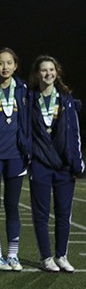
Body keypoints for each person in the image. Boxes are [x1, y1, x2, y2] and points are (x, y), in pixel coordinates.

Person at [27, 55, 84, 272]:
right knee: (41, 215)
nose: (48, 73)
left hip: (63, 165)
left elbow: (75, 133)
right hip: (41, 164)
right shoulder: (30, 99)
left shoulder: (66, 100)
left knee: (63, 213)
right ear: (36, 74)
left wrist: (77, 162)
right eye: (43, 70)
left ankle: (61, 256)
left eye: (51, 69)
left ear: (56, 73)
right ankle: (46, 257)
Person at [0, 48, 29, 271]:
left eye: (9, 63)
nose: (5, 67)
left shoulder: (23, 89)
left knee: (12, 206)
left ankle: (12, 254)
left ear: (15, 65)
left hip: (16, 156)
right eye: (1, 63)